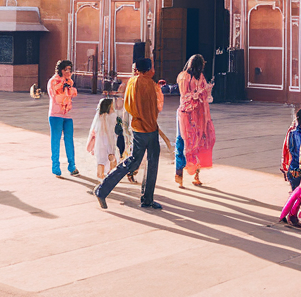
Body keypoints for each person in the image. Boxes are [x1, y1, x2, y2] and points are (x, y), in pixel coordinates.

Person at [94, 57, 163, 210]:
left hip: (142, 127)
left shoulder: (133, 82)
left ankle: (105, 190)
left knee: (138, 161)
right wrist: (146, 119)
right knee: (145, 162)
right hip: (147, 128)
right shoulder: (144, 83)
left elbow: (130, 107)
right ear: (148, 69)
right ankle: (145, 198)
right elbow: (151, 107)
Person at [174, 54, 215, 188]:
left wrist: (205, 91)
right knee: (182, 142)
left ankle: (196, 175)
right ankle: (179, 173)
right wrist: (197, 94)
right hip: (186, 114)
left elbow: (204, 95)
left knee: (199, 142)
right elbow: (184, 96)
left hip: (199, 115)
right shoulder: (184, 76)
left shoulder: (200, 76)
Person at [47, 59, 79, 177]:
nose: (69, 72)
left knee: (69, 140)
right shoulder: (53, 81)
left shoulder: (69, 81)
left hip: (67, 114)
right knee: (55, 141)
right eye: (66, 70)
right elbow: (57, 97)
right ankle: (55, 166)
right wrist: (64, 88)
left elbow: (74, 93)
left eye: (70, 70)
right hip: (56, 115)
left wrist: (68, 88)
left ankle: (72, 166)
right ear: (61, 70)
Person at [86, 97, 120, 178]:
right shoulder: (112, 116)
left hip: (100, 141)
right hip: (109, 141)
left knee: (101, 160)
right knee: (111, 158)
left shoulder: (99, 116)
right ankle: (111, 176)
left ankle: (100, 176)